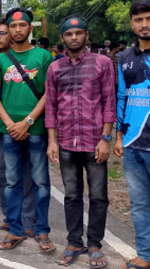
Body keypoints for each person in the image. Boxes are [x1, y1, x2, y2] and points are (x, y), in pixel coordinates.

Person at [45, 15, 115, 267]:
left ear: (86, 35)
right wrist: (52, 141)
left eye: (78, 33)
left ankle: (95, 244)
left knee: (98, 196)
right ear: (62, 38)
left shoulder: (103, 63)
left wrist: (106, 138)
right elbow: (51, 106)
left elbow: (109, 102)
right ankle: (74, 241)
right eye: (68, 34)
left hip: (95, 141)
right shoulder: (54, 68)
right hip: (65, 142)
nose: (74, 38)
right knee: (72, 195)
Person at [0, 8, 54, 252]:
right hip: (7, 131)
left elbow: (50, 93)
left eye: (22, 26)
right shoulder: (0, 60)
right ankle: (15, 229)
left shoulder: (43, 56)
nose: (17, 30)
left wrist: (26, 122)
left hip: (35, 129)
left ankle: (41, 230)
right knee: (12, 182)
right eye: (13, 27)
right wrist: (9, 124)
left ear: (30, 28)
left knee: (40, 182)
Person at [0, 19, 37, 236]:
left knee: (25, 176)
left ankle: (28, 221)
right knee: (1, 174)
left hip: (25, 127)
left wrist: (24, 123)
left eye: (1, 33)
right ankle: (10, 217)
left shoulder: (31, 57)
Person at [115, 0, 150, 269]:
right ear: (131, 24)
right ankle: (146, 256)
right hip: (133, 144)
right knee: (138, 204)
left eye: (148, 19)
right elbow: (121, 97)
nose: (145, 24)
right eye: (139, 20)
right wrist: (118, 136)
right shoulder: (124, 57)